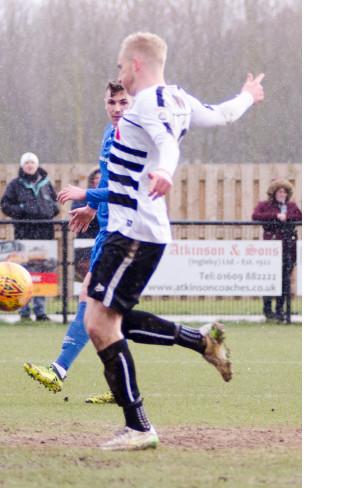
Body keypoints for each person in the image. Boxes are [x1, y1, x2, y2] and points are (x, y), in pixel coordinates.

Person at [83, 32, 265, 451]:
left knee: (98, 322)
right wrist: (247, 97)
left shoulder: (148, 104)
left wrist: (166, 171)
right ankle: (200, 341)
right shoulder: (177, 98)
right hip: (130, 228)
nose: (119, 74)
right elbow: (221, 116)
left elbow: (166, 144)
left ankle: (140, 427)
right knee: (109, 320)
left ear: (136, 64)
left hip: (134, 232)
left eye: (120, 66)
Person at [23, 80, 235, 404]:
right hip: (112, 226)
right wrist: (93, 208)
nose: (118, 109)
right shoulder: (111, 134)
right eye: (112, 102)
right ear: (104, 103)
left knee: (96, 305)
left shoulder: (138, 132)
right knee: (107, 314)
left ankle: (63, 370)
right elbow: (111, 180)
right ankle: (192, 346)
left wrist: (87, 194)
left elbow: (128, 188)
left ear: (134, 102)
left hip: (129, 230)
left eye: (124, 102)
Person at [0, 152, 60, 322]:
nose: (30, 165)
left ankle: (40, 312)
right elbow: (5, 205)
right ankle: (24, 312)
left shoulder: (47, 184)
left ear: (37, 165)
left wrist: (47, 211)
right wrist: (23, 211)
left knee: (41, 272)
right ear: (22, 166)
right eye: (27, 163)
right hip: (23, 234)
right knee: (22, 272)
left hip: (44, 235)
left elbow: (56, 205)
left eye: (32, 162)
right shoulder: (15, 185)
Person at [252, 178, 302, 321]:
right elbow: (256, 216)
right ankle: (268, 311)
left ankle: (281, 311)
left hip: (288, 249)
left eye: (285, 192)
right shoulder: (265, 205)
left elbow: (300, 216)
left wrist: (287, 217)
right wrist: (276, 217)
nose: (282, 194)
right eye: (280, 191)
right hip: (271, 250)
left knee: (285, 281)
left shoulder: (291, 206)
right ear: (274, 192)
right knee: (269, 279)